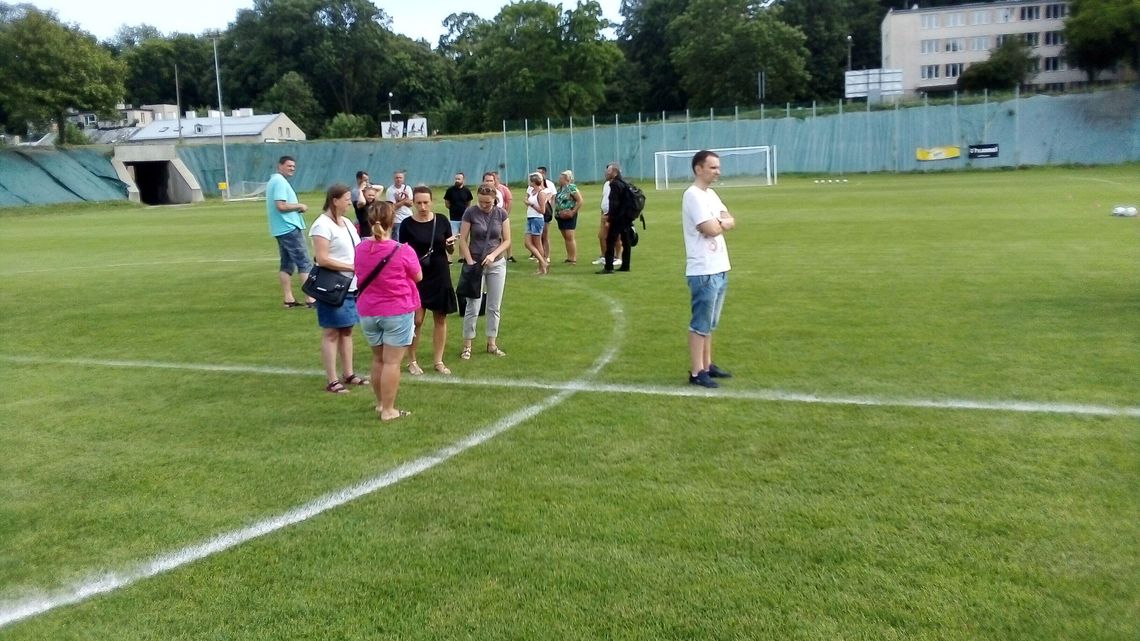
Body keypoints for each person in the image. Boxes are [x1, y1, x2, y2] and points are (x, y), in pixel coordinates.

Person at [355, 201, 422, 420]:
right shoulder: (403, 250)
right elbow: (418, 276)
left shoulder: (360, 248)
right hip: (396, 310)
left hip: (368, 311)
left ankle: (380, 403)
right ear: (392, 222)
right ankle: (388, 410)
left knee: (378, 360)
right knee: (392, 362)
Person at [682, 150, 735, 388]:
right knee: (700, 324)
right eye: (713, 167)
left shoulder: (711, 194)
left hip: (720, 266)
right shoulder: (692, 196)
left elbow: (728, 219)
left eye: (718, 167)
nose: (718, 172)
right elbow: (709, 228)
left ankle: (707, 364)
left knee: (710, 323)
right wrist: (720, 223)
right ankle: (696, 372)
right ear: (698, 169)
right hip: (703, 269)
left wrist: (720, 222)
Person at [309, 183, 367, 394]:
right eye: (345, 199)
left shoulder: (347, 224)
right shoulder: (321, 225)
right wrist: (351, 266)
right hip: (332, 286)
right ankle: (332, 379)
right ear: (334, 200)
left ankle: (349, 373)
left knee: (348, 329)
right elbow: (322, 258)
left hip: (350, 285)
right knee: (332, 332)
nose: (349, 203)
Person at [399, 185, 459, 376]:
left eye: (426, 202)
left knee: (440, 318)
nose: (423, 207)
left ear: (432, 201)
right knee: (416, 320)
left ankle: (438, 361)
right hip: (417, 276)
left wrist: (450, 246)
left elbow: (450, 251)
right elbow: (402, 253)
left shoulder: (441, 220)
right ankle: (412, 360)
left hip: (440, 274)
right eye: (418, 203)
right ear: (414, 203)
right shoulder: (406, 224)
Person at [458, 184, 512, 359]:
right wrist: (470, 261)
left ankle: (491, 343)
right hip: (475, 264)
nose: (484, 205)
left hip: (496, 264)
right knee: (472, 306)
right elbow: (463, 240)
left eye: (488, 203)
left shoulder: (501, 214)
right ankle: (467, 345)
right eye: (481, 202)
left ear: (494, 200)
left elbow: (506, 240)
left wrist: (493, 255)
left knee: (494, 306)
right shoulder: (470, 213)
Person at [266, 155, 315, 308]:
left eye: (293, 166)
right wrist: (300, 206)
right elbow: (281, 205)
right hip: (288, 227)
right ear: (280, 166)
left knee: (286, 264)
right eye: (289, 166)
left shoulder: (273, 181)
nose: (292, 168)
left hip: (280, 228)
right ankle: (311, 299)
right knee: (304, 262)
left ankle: (288, 299)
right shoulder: (280, 181)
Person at [599, 162, 634, 274]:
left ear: (614, 172)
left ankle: (609, 267)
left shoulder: (614, 184)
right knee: (626, 241)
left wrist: (610, 218)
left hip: (617, 218)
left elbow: (614, 203)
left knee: (610, 241)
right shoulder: (625, 182)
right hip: (626, 217)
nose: (606, 173)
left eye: (608, 171)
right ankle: (625, 265)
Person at [523, 171, 554, 275]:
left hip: (537, 219)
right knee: (527, 243)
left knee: (537, 243)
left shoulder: (541, 193)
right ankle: (543, 262)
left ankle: (542, 267)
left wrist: (530, 204)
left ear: (534, 182)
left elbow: (542, 210)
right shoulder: (532, 192)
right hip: (530, 218)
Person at [553, 169, 583, 264]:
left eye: (561, 178)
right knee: (565, 236)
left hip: (569, 215)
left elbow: (580, 200)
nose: (559, 179)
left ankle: (573, 258)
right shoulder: (560, 189)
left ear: (567, 179)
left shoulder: (571, 188)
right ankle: (569, 256)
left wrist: (573, 212)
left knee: (570, 236)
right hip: (560, 215)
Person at [593, 173, 621, 268]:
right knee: (601, 236)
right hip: (604, 214)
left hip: (613, 214)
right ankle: (605, 256)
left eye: (608, 171)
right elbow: (604, 198)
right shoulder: (606, 184)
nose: (606, 173)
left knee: (615, 236)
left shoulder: (617, 184)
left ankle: (618, 257)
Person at [443, 172, 473, 237]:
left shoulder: (467, 191)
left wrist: (466, 210)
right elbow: (447, 203)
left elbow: (469, 202)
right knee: (452, 237)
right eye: (456, 179)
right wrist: (453, 209)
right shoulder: (450, 190)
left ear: (463, 180)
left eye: (459, 179)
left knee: (463, 237)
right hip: (453, 219)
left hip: (464, 218)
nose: (457, 180)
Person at [386, 170, 413, 240]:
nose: (398, 179)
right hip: (397, 219)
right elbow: (392, 207)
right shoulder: (390, 190)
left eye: (400, 178)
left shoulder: (408, 188)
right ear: (394, 179)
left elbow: (411, 204)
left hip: (408, 216)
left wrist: (400, 200)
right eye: (397, 178)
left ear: (403, 179)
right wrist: (404, 201)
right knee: (398, 239)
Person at [536, 166, 557, 260]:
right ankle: (539, 254)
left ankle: (547, 255)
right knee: (537, 235)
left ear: (544, 174)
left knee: (545, 234)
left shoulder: (550, 185)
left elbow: (552, 198)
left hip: (546, 212)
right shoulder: (533, 185)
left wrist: (550, 210)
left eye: (539, 173)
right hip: (536, 212)